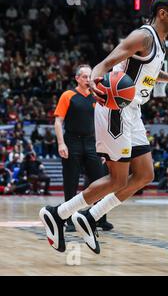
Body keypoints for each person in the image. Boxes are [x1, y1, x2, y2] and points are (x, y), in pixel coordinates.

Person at [39, 0, 168, 254]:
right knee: (118, 179)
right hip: (116, 109)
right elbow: (108, 61)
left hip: (133, 111)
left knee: (145, 175)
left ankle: (90, 217)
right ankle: (58, 213)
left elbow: (151, 72)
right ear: (162, 13)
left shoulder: (159, 43)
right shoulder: (143, 36)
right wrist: (94, 79)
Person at [54, 64, 113, 232]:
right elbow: (58, 122)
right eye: (85, 77)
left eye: (90, 76)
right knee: (70, 182)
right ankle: (69, 219)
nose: (88, 80)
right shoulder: (68, 95)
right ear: (77, 79)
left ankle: (100, 218)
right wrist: (61, 143)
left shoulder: (97, 97)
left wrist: (104, 148)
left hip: (92, 143)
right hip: (72, 142)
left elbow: (103, 124)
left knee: (100, 182)